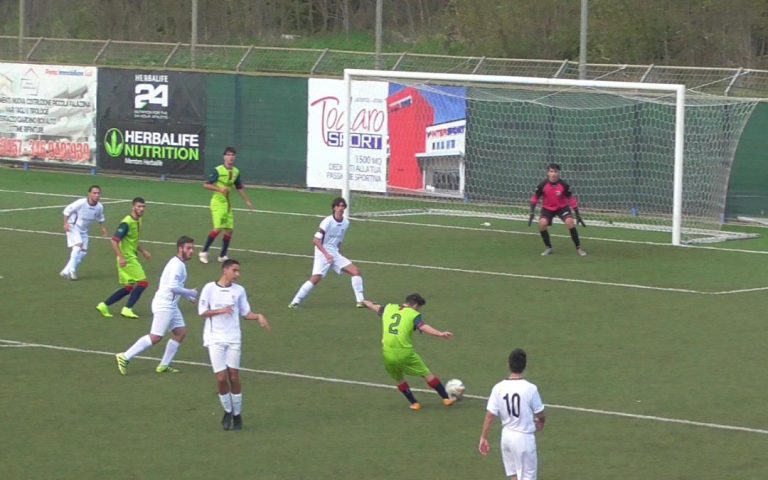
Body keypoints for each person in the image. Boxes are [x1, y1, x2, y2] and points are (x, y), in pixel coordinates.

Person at [198, 259, 271, 431]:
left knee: (234, 376)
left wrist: (259, 316)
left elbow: (246, 313)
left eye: (238, 271)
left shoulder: (239, 291)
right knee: (221, 378)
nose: (237, 274)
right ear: (225, 270)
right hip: (215, 338)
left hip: (233, 338)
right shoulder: (209, 288)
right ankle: (227, 410)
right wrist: (221, 310)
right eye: (234, 270)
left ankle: (237, 414)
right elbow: (202, 312)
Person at [115, 236, 198, 375]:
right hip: (164, 305)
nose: (192, 251)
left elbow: (176, 286)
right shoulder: (178, 265)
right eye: (188, 248)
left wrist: (187, 296)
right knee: (156, 337)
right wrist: (190, 292)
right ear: (180, 248)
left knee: (180, 333)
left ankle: (164, 365)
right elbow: (172, 286)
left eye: (192, 248)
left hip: (171, 305)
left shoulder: (178, 263)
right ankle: (125, 356)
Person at [361, 294, 455, 411]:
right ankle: (446, 398)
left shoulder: (389, 308)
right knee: (426, 374)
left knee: (399, 378)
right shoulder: (413, 314)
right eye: (418, 307)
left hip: (388, 353)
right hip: (405, 353)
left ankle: (414, 403)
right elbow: (423, 327)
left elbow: (373, 306)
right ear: (415, 305)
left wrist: (364, 302)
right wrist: (440, 334)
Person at [478, 348, 546, 480]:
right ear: (524, 366)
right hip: (524, 438)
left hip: (507, 437)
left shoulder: (498, 387)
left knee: (513, 476)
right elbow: (540, 413)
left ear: (508, 365)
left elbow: (490, 415)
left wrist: (483, 437)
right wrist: (541, 422)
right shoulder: (530, 388)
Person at [288, 197, 365, 309]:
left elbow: (339, 240)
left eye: (343, 206)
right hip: (322, 251)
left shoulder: (346, 223)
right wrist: (326, 255)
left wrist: (339, 254)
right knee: (316, 278)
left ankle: (361, 301)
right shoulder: (327, 221)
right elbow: (316, 240)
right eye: (338, 206)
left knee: (356, 272)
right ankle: (295, 301)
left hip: (334, 252)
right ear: (334, 208)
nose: (341, 208)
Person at [96, 197, 151, 319]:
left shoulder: (138, 220)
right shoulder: (126, 223)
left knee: (129, 287)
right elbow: (114, 241)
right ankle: (127, 309)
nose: (141, 209)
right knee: (143, 283)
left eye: (143, 206)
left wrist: (143, 251)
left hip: (129, 257)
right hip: (127, 259)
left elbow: (133, 240)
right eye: (139, 206)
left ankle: (104, 305)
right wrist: (121, 257)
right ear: (133, 207)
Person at [199, 146, 254, 264]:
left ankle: (223, 255)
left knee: (229, 230)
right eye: (228, 155)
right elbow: (206, 185)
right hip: (218, 203)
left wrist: (247, 201)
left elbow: (239, 187)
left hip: (227, 204)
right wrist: (219, 189)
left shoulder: (236, 172)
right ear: (224, 157)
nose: (231, 157)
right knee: (218, 228)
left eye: (233, 155)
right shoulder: (218, 170)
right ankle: (204, 252)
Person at [528, 163, 587, 257]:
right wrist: (531, 212)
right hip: (547, 208)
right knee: (542, 224)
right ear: (548, 173)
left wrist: (577, 214)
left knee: (570, 222)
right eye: (551, 171)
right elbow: (535, 198)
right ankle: (549, 247)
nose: (553, 174)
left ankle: (578, 248)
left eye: (555, 171)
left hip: (562, 208)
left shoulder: (563, 185)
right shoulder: (542, 185)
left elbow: (571, 200)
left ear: (559, 173)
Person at [59, 185, 109, 280]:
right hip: (73, 226)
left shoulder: (99, 207)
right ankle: (73, 270)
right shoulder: (81, 202)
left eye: (98, 193)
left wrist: (103, 228)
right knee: (78, 245)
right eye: (94, 193)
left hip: (84, 230)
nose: (97, 195)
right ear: (89, 194)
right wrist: (65, 223)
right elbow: (66, 211)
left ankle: (65, 271)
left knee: (83, 252)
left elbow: (100, 217)